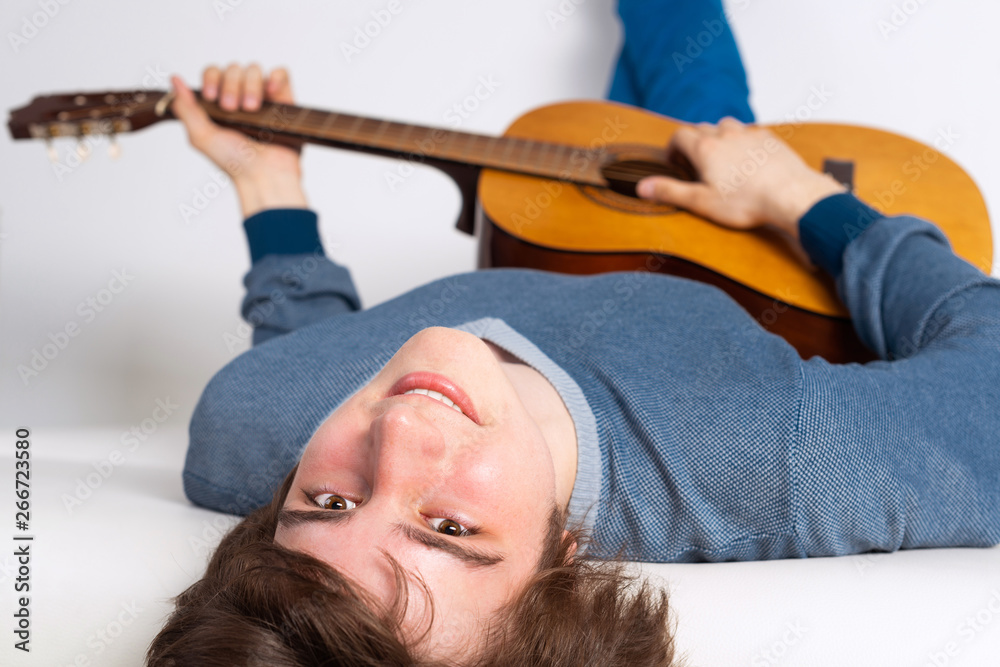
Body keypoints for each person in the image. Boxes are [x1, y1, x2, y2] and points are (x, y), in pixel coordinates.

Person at [145, 60, 1000, 665]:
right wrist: (800, 198)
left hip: (560, 231)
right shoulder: (779, 456)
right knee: (699, 86)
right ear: (565, 556)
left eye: (327, 500)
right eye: (449, 528)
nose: (401, 426)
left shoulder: (245, 427)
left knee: (611, 133)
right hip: (730, 250)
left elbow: (306, 354)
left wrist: (268, 184)